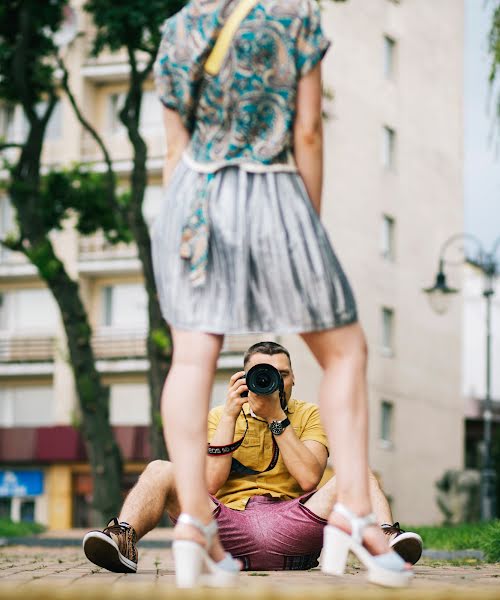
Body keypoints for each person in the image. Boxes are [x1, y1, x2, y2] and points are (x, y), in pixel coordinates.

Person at [150, 0, 412, 587]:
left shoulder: (178, 27)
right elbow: (309, 133)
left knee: (191, 357)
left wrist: (181, 230)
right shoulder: (295, 15)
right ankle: (354, 512)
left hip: (191, 198)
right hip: (272, 191)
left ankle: (193, 521)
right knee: (345, 352)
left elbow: (173, 150)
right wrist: (307, 226)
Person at [83, 343, 422, 573]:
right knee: (160, 469)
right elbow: (210, 486)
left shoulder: (309, 415)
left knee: (357, 469)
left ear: (292, 380)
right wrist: (230, 416)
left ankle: (386, 540)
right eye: (262, 374)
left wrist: (278, 419)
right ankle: (121, 539)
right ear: (244, 380)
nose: (272, 382)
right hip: (227, 527)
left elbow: (308, 479)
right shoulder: (221, 415)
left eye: (282, 374)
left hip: (296, 524)